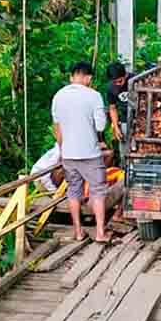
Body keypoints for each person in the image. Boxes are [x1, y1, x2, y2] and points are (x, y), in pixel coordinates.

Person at [51, 61, 110, 242]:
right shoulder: (94, 96)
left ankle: (78, 231)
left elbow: (57, 128)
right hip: (90, 154)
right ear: (89, 78)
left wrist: (62, 150)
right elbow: (101, 126)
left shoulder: (58, 96)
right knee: (98, 192)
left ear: (71, 77)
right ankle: (100, 232)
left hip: (68, 154)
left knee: (74, 192)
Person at [106, 62, 130, 147]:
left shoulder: (135, 80)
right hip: (124, 119)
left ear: (126, 75)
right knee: (124, 146)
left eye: (120, 81)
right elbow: (112, 108)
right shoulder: (110, 88)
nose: (118, 84)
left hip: (139, 118)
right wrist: (116, 127)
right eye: (114, 82)